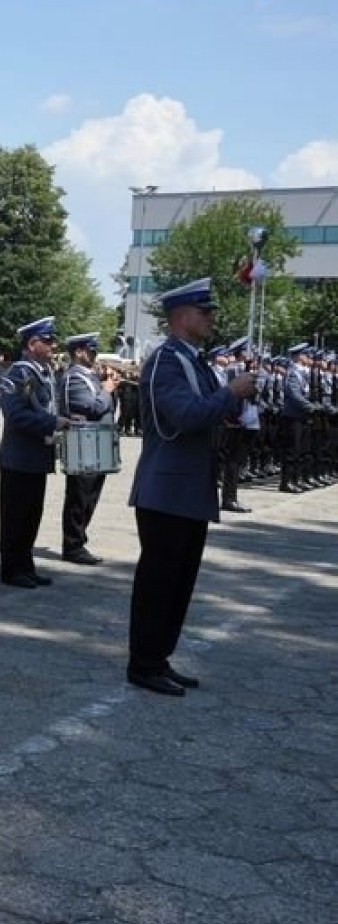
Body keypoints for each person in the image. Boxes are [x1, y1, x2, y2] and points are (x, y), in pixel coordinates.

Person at [126, 278, 255, 696]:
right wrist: (230, 394)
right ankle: (143, 664)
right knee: (159, 584)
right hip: (167, 492)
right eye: (205, 312)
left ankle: (159, 658)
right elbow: (183, 415)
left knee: (179, 585)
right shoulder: (168, 361)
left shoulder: (192, 360)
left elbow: (208, 411)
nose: (211, 319)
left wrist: (233, 400)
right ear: (182, 317)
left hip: (187, 491)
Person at [0, 317, 67, 589]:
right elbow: (15, 415)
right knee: (16, 517)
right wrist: (52, 423)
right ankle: (12, 570)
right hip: (19, 457)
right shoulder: (19, 373)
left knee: (31, 517)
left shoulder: (44, 372)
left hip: (37, 456)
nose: (53, 345)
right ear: (32, 343)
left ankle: (25, 565)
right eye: (47, 341)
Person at [57, 332, 117, 565]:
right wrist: (107, 389)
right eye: (91, 351)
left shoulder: (89, 377)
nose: (94, 356)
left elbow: (106, 407)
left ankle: (79, 540)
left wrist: (106, 387)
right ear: (79, 352)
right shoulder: (74, 378)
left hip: (95, 444)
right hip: (84, 444)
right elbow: (91, 407)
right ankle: (72, 545)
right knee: (79, 498)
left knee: (90, 497)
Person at [211, 339, 253, 514]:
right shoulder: (215, 373)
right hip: (220, 422)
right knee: (216, 460)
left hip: (234, 421)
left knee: (233, 462)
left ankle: (230, 498)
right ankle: (217, 498)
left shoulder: (231, 372)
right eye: (223, 355)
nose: (227, 357)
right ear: (215, 358)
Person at [280, 343, 313, 493]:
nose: (309, 358)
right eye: (307, 355)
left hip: (301, 416)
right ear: (299, 356)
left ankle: (295, 480)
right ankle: (286, 482)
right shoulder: (293, 373)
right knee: (291, 450)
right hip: (293, 416)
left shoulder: (302, 372)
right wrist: (310, 406)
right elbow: (294, 395)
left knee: (300, 450)